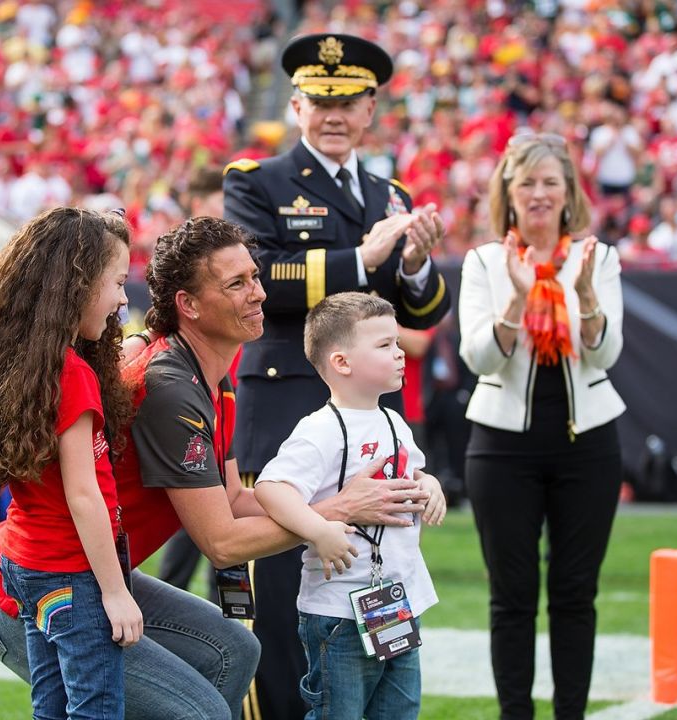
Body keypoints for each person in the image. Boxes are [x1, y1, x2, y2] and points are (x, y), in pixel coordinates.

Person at [0, 217, 432, 720]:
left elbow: (232, 500)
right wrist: (334, 513)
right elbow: (222, 541)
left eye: (254, 277)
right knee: (197, 712)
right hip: (31, 590)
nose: (258, 293)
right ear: (189, 305)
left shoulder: (212, 377)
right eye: (237, 284)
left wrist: (331, 509)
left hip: (86, 575)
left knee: (236, 650)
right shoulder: (170, 387)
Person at [222, 33, 452, 719]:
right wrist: (360, 255)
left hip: (370, 422)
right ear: (295, 105)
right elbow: (255, 278)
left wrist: (411, 261)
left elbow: (421, 306)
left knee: (371, 580)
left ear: (371, 108)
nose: (333, 113)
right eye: (320, 100)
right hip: (289, 407)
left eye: (348, 100)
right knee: (285, 603)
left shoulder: (391, 192)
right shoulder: (254, 180)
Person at [0, 208, 142, 719]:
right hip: (72, 573)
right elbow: (82, 495)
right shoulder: (71, 374)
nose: (123, 299)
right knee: (95, 710)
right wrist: (115, 592)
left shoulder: (29, 365)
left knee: (49, 710)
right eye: (117, 283)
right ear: (77, 285)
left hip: (27, 563)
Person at [459, 132, 627, 720]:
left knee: (575, 594)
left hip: (590, 448)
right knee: (512, 598)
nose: (537, 193)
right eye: (525, 181)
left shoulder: (597, 258)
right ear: (508, 190)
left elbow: (604, 355)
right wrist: (515, 302)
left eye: (549, 181)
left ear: (567, 192)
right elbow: (479, 360)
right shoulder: (484, 261)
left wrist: (583, 296)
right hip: (501, 449)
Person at [255, 292, 448, 720]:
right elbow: (272, 487)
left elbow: (413, 473)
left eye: (397, 343)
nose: (400, 354)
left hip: (398, 603)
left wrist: (430, 484)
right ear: (341, 363)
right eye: (384, 346)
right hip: (339, 613)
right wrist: (320, 529)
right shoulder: (318, 429)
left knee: (398, 712)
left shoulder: (395, 421)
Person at [155, 165, 227, 595]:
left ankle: (216, 609)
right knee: (195, 510)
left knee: (220, 500)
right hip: (190, 392)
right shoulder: (184, 264)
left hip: (220, 390)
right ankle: (174, 601)